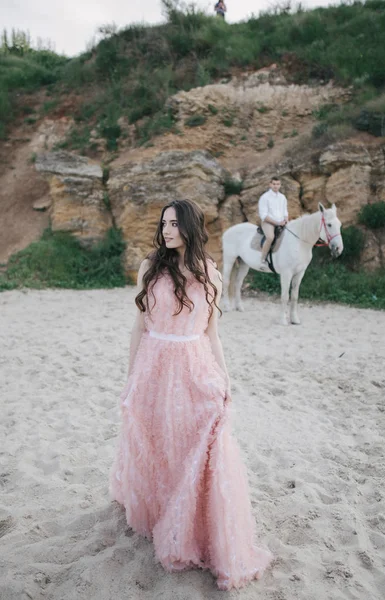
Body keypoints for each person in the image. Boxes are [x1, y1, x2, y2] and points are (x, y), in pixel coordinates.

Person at [110, 199, 273, 590]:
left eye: (174, 223)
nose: (167, 230)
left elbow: (212, 333)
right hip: (154, 364)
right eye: (163, 223)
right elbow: (138, 327)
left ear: (189, 227)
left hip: (194, 365)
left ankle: (193, 523)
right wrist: (131, 375)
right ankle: (160, 510)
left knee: (201, 437)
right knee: (158, 441)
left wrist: (225, 376)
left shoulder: (208, 273)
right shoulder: (150, 267)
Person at [258, 176, 288, 270]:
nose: (276, 186)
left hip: (281, 222)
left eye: (278, 184)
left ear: (280, 185)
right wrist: (277, 223)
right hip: (269, 222)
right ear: (270, 184)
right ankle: (262, 260)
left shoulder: (282, 197)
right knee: (270, 237)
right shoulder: (264, 197)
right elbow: (264, 215)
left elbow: (285, 211)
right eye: (274, 184)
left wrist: (286, 219)